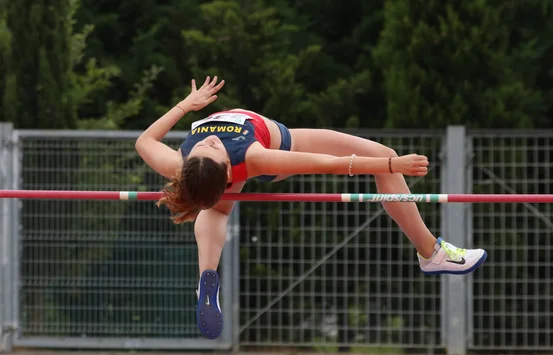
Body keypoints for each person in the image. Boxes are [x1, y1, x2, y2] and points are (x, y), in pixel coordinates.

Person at [135, 76, 487, 340]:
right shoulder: (254, 156)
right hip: (279, 145)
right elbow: (328, 163)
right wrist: (391, 166)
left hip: (215, 179)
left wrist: (186, 105)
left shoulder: (185, 165)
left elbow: (145, 141)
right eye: (212, 147)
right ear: (227, 168)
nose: (210, 140)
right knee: (383, 155)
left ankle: (206, 277)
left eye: (206, 144)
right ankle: (430, 252)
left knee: (216, 207)